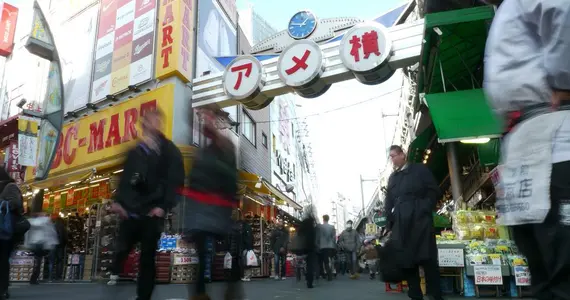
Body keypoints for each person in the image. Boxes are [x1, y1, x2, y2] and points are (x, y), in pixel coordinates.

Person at [484, 1, 570, 299]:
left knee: (561, 259)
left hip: (554, 128)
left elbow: (562, 11)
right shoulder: (504, 9)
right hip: (524, 137)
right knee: (539, 263)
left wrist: (564, 79)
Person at [107, 109, 185, 300]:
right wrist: (118, 203)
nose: (153, 123)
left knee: (147, 259)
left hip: (153, 212)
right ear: (143, 123)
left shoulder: (169, 150)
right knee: (122, 248)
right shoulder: (135, 150)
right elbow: (125, 179)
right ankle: (114, 272)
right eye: (149, 120)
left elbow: (176, 180)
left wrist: (164, 206)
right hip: (130, 211)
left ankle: (143, 296)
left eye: (156, 120)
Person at [180, 107, 242, 300]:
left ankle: (230, 290)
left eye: (207, 117)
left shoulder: (225, 146)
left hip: (218, 207)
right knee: (202, 254)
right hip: (202, 209)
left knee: (227, 252)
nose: (203, 121)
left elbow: (230, 177)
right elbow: (194, 182)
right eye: (201, 118)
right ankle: (201, 294)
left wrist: (231, 203)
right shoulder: (203, 152)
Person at [383, 145, 442, 300]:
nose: (392, 159)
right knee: (407, 261)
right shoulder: (393, 178)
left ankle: (435, 295)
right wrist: (389, 223)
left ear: (403, 154)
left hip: (421, 221)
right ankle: (415, 295)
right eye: (390, 157)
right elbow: (388, 202)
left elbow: (433, 190)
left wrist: (424, 207)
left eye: (394, 155)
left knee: (428, 259)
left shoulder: (419, 170)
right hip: (401, 224)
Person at [0, 167, 26, 299]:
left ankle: (3, 289)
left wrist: (3, 204)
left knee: (3, 261)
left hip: (5, 231)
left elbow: (16, 203)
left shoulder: (10, 187)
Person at [317, 214, 336, 281]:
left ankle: (326, 274)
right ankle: (330, 273)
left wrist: (318, 244)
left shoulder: (320, 227)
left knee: (323, 261)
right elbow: (334, 237)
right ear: (328, 219)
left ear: (323, 219)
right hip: (330, 246)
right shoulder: (332, 227)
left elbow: (318, 237)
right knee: (329, 260)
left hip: (323, 246)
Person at [49, 216, 67, 281]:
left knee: (52, 261)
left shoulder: (52, 226)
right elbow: (65, 238)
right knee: (59, 261)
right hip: (60, 246)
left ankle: (50, 276)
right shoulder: (63, 227)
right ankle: (58, 276)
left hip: (52, 245)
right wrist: (63, 244)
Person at [239, 213, 254, 282]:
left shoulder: (246, 227)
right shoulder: (247, 226)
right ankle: (247, 275)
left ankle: (247, 276)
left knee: (246, 261)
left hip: (246, 246)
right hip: (247, 246)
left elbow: (248, 238)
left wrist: (248, 247)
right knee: (246, 261)